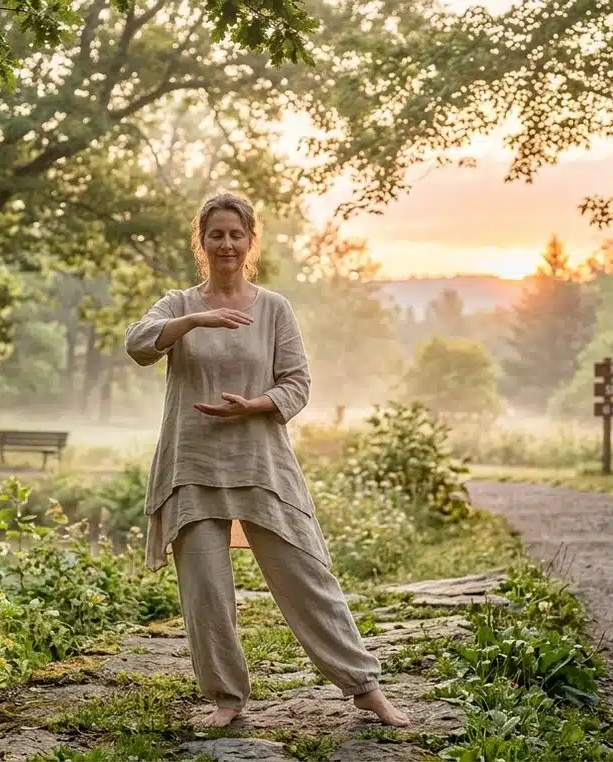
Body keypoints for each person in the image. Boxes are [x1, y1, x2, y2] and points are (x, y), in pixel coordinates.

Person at [124, 192, 410, 729]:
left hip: (261, 465)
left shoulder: (274, 307)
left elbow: (298, 383)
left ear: (250, 241)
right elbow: (137, 343)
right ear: (202, 241)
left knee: (306, 575)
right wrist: (196, 320)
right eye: (216, 234)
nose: (226, 243)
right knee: (206, 590)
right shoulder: (179, 303)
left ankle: (365, 688)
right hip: (192, 467)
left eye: (236, 234)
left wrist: (255, 406)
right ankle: (226, 698)